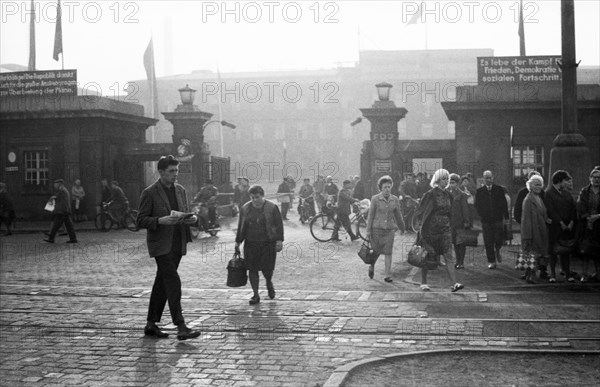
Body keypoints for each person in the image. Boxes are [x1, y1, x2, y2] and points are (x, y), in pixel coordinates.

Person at [136, 155, 200, 341]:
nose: (175, 174)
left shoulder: (180, 190)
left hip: (177, 242)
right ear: (161, 172)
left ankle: (151, 324)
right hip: (161, 246)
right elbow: (140, 219)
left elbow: (186, 212)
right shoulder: (149, 192)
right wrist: (159, 220)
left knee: (162, 283)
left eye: (176, 171)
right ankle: (180, 326)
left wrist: (192, 219)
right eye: (171, 171)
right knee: (173, 281)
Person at [415, 169, 464, 292]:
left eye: (447, 179)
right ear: (437, 180)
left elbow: (451, 212)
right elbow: (421, 211)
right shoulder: (430, 194)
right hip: (431, 229)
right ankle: (423, 282)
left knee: (448, 256)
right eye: (443, 179)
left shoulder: (449, 195)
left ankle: (454, 284)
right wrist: (420, 227)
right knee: (427, 255)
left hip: (445, 230)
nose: (446, 181)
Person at [235, 185, 284, 305]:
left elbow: (279, 225)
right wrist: (238, 242)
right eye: (252, 197)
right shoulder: (245, 208)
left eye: (257, 197)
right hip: (251, 243)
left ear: (262, 196)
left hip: (268, 243)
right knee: (252, 269)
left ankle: (268, 282)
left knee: (267, 269)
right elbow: (241, 226)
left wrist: (279, 240)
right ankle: (255, 294)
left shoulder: (272, 208)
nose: (255, 200)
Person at [366, 175, 405, 282]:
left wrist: (402, 227)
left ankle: (387, 275)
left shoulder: (395, 199)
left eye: (389, 187)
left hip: (389, 230)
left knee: (388, 252)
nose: (387, 189)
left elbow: (398, 215)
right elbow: (370, 215)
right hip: (376, 230)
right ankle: (372, 266)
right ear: (380, 188)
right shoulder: (375, 199)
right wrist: (368, 231)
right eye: (385, 187)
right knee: (375, 251)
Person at [544, 170, 578, 283]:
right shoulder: (548, 193)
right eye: (565, 180)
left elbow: (573, 208)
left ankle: (567, 273)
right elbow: (551, 210)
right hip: (554, 227)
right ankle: (552, 274)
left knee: (566, 251)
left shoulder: (567, 193)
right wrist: (561, 223)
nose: (567, 183)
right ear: (559, 181)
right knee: (553, 251)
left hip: (567, 228)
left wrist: (572, 222)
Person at [475, 170, 509, 269]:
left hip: (497, 219)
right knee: (488, 241)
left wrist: (506, 217)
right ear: (484, 179)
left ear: (493, 178)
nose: (488, 180)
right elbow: (477, 205)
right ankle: (491, 261)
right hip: (486, 221)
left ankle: (497, 249)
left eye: (490, 177)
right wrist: (481, 215)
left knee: (498, 239)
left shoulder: (499, 190)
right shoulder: (480, 191)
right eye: (486, 178)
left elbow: (504, 204)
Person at [521, 174, 550, 284]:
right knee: (531, 254)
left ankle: (530, 275)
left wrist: (547, 220)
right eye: (536, 185)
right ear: (531, 186)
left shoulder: (539, 198)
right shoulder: (528, 199)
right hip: (532, 231)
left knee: (535, 254)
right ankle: (530, 276)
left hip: (540, 230)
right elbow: (526, 219)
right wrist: (527, 235)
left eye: (540, 185)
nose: (539, 187)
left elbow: (543, 212)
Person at [577, 168, 600, 282]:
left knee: (598, 250)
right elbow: (580, 206)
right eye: (594, 177)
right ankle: (584, 274)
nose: (596, 179)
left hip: (599, 224)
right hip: (587, 225)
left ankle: (598, 274)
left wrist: (597, 216)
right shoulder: (584, 191)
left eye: (598, 177)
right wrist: (587, 217)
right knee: (585, 250)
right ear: (590, 178)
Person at [447, 173, 472, 269]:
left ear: (457, 184)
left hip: (460, 222)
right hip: (451, 223)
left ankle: (461, 262)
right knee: (454, 243)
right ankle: (457, 260)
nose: (451, 184)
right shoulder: (448, 194)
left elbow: (465, 209)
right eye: (450, 182)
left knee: (461, 243)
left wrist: (466, 222)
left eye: (453, 182)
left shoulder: (462, 195)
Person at [43, 179, 78, 244]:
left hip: (62, 211)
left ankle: (51, 238)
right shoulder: (63, 190)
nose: (54, 185)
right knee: (69, 226)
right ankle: (73, 238)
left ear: (59, 184)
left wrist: (58, 210)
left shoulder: (62, 191)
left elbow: (62, 202)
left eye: (56, 184)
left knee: (56, 225)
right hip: (65, 211)